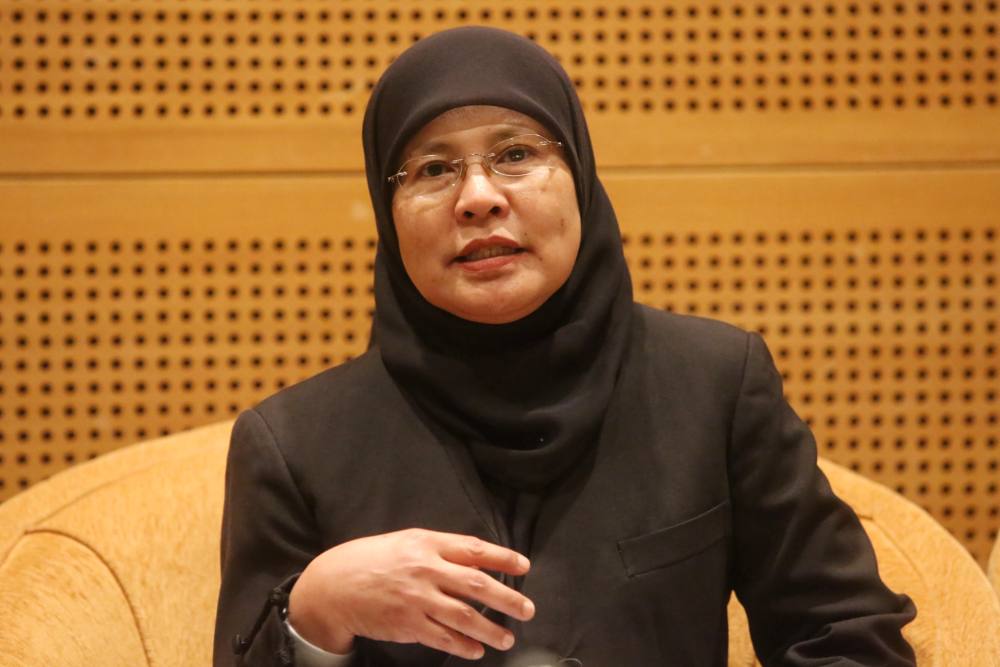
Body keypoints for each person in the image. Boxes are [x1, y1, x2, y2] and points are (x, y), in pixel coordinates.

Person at [213, 26, 917, 666]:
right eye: (433, 169)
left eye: (516, 153)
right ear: (386, 212)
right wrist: (316, 611)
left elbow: (849, 637)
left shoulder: (714, 385)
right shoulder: (294, 445)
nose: (478, 197)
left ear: (578, 174)